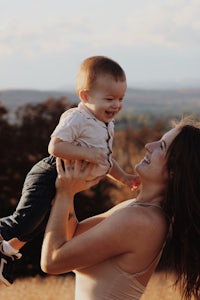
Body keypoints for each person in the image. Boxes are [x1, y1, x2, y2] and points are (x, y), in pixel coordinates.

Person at [0, 56, 140, 286]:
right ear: (85, 96)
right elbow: (55, 146)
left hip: (67, 182)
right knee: (25, 221)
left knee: (36, 225)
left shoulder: (106, 124)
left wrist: (123, 177)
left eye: (121, 99)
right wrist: (86, 155)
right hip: (49, 174)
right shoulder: (78, 117)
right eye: (109, 99)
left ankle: (6, 252)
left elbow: (105, 159)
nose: (116, 105)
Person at [41, 117, 200, 300]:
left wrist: (64, 194)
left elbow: (52, 262)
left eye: (162, 146)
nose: (149, 145)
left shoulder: (142, 221)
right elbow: (71, 238)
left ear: (174, 171)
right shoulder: (134, 209)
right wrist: (70, 188)